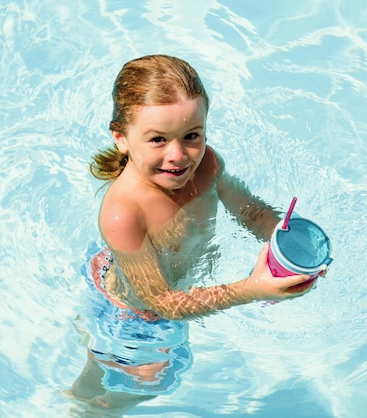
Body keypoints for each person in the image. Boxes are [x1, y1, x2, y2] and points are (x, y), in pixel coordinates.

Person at [67, 54, 317, 411]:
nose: (179, 155)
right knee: (153, 381)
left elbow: (252, 212)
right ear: (121, 138)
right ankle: (92, 408)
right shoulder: (124, 213)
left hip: (150, 280)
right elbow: (162, 302)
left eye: (192, 135)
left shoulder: (208, 165)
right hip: (133, 312)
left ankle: (83, 394)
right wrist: (251, 289)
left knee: (109, 367)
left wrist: (290, 245)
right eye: (157, 140)